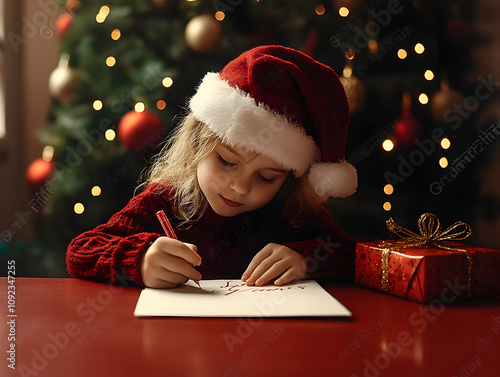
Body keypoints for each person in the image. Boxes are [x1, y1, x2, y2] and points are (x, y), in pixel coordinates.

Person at [66, 45, 359, 289]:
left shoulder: (291, 210)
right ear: (196, 145)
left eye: (267, 177)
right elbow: (80, 250)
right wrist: (139, 259)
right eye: (227, 162)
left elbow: (357, 256)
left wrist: (305, 258)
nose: (240, 187)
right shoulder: (164, 200)